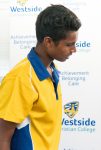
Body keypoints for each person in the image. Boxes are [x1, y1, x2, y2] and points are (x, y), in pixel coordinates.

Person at [0, 4, 81, 150]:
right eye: (69, 44)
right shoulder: (20, 78)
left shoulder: (52, 70)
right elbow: (2, 137)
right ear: (48, 42)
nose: (74, 50)